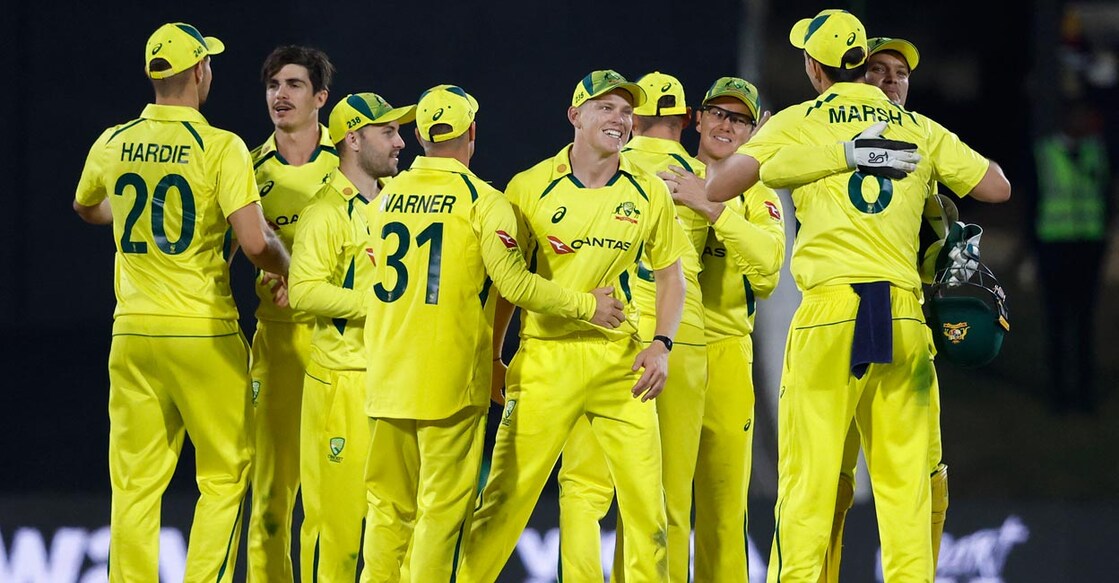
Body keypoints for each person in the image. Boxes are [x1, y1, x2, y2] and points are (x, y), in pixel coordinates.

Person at [704, 9, 1011, 581]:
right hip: (902, 316)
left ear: (815, 67)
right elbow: (996, 186)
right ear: (863, 68)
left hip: (829, 314)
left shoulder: (796, 121)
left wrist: (807, 153)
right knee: (905, 492)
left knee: (808, 485)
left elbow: (718, 186)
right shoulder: (915, 129)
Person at [360, 83, 625, 583]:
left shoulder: (382, 200)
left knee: (386, 509)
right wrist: (587, 305)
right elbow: (515, 283)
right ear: (473, 133)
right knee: (439, 513)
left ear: (418, 134)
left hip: (386, 376)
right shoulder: (483, 201)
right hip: (450, 382)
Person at [73, 22, 290, 582]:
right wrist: (291, 269)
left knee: (136, 484)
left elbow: (85, 205)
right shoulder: (219, 146)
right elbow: (253, 242)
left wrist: (123, 217)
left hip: (132, 333)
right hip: (202, 331)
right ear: (199, 71)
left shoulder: (114, 140)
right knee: (223, 475)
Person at [455, 70, 689, 583]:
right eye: (605, 108)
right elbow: (506, 286)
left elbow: (673, 276)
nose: (620, 119)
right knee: (505, 501)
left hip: (619, 365)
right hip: (545, 360)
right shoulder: (529, 186)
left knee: (649, 513)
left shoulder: (648, 191)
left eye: (627, 111)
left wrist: (661, 344)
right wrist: (495, 356)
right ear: (574, 116)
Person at [555, 70, 709, 583]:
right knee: (663, 493)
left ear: (635, 121)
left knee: (583, 486)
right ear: (688, 121)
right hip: (679, 339)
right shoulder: (710, 174)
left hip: (603, 332)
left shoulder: (577, 169)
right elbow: (757, 269)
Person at [814, 36, 952, 583]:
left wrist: (953, 250)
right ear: (855, 76)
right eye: (878, 68)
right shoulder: (821, 130)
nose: (892, 78)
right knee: (831, 475)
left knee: (927, 473)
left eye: (900, 71)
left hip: (904, 316)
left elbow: (941, 236)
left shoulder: (924, 141)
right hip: (841, 310)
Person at [658, 76, 786, 582]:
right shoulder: (665, 173)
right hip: (666, 350)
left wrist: (708, 205)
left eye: (739, 119)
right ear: (697, 119)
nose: (726, 125)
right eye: (718, 113)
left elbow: (770, 271)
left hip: (728, 354)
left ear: (754, 131)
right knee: (662, 502)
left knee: (725, 509)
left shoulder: (758, 188)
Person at [287, 92, 415, 582]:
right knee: (335, 527)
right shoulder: (324, 213)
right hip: (342, 382)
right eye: (388, 132)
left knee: (397, 520)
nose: (401, 142)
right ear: (353, 139)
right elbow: (303, 292)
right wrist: (376, 308)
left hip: (396, 382)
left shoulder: (401, 203)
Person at [245, 45, 337, 583]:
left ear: (320, 97)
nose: (281, 94)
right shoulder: (248, 167)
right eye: (273, 84)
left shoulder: (349, 165)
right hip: (276, 345)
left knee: (331, 498)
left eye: (294, 84)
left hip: (338, 345)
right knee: (270, 498)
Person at [1033, 98, 1113, 415]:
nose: (1084, 123)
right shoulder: (1044, 153)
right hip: (1054, 248)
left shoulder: (1097, 151)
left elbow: (1105, 195)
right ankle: (1059, 393)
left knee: (1083, 324)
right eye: (1079, 116)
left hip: (1088, 248)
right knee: (1056, 322)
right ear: (1066, 119)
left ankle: (1084, 392)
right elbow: (1033, 202)